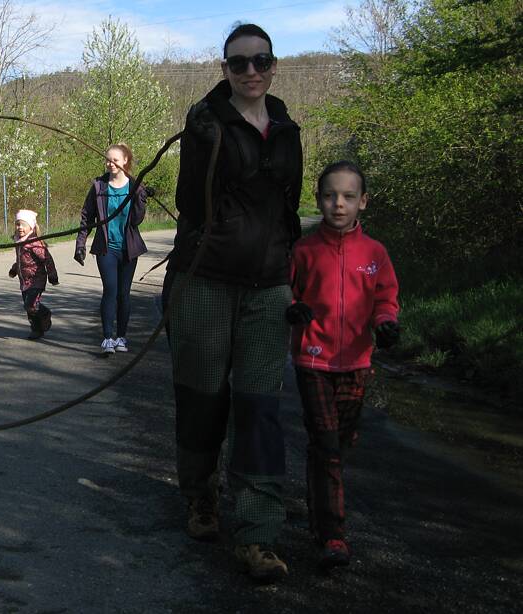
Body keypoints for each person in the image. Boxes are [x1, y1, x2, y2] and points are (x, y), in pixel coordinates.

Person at [165, 23, 302, 582]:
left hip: (269, 287)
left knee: (259, 407)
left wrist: (293, 272)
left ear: (273, 65)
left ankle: (257, 533)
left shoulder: (287, 130)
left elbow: (290, 207)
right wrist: (200, 130)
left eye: (260, 61)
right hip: (205, 281)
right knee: (203, 398)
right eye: (238, 63)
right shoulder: (205, 125)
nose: (251, 71)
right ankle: (201, 496)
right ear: (224, 69)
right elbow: (188, 203)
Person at [288, 161, 400, 569]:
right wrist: (293, 309)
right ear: (318, 200)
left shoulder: (375, 253)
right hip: (312, 360)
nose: (339, 204)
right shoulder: (304, 250)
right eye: (330, 195)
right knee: (328, 443)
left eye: (348, 197)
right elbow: (287, 291)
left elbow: (385, 298)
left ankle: (319, 499)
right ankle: (332, 534)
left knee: (339, 441)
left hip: (356, 361)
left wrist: (386, 323)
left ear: (362, 202)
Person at [74, 143, 148, 354]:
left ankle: (121, 338)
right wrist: (81, 243)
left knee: (124, 294)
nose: (110, 163)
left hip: (128, 250)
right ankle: (107, 338)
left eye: (115, 160)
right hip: (106, 249)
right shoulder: (99, 187)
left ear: (125, 161)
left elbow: (136, 220)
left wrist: (141, 200)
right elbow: (87, 216)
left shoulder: (135, 186)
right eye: (107, 159)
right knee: (110, 290)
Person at [9, 209, 59, 340]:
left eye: (23, 225)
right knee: (29, 307)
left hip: (36, 280)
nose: (20, 227)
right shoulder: (19, 241)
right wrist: (15, 269)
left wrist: (52, 275)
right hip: (24, 280)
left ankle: (45, 314)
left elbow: (47, 258)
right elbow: (22, 260)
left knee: (31, 305)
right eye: (18, 224)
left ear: (31, 227)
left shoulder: (34, 242)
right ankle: (37, 329)